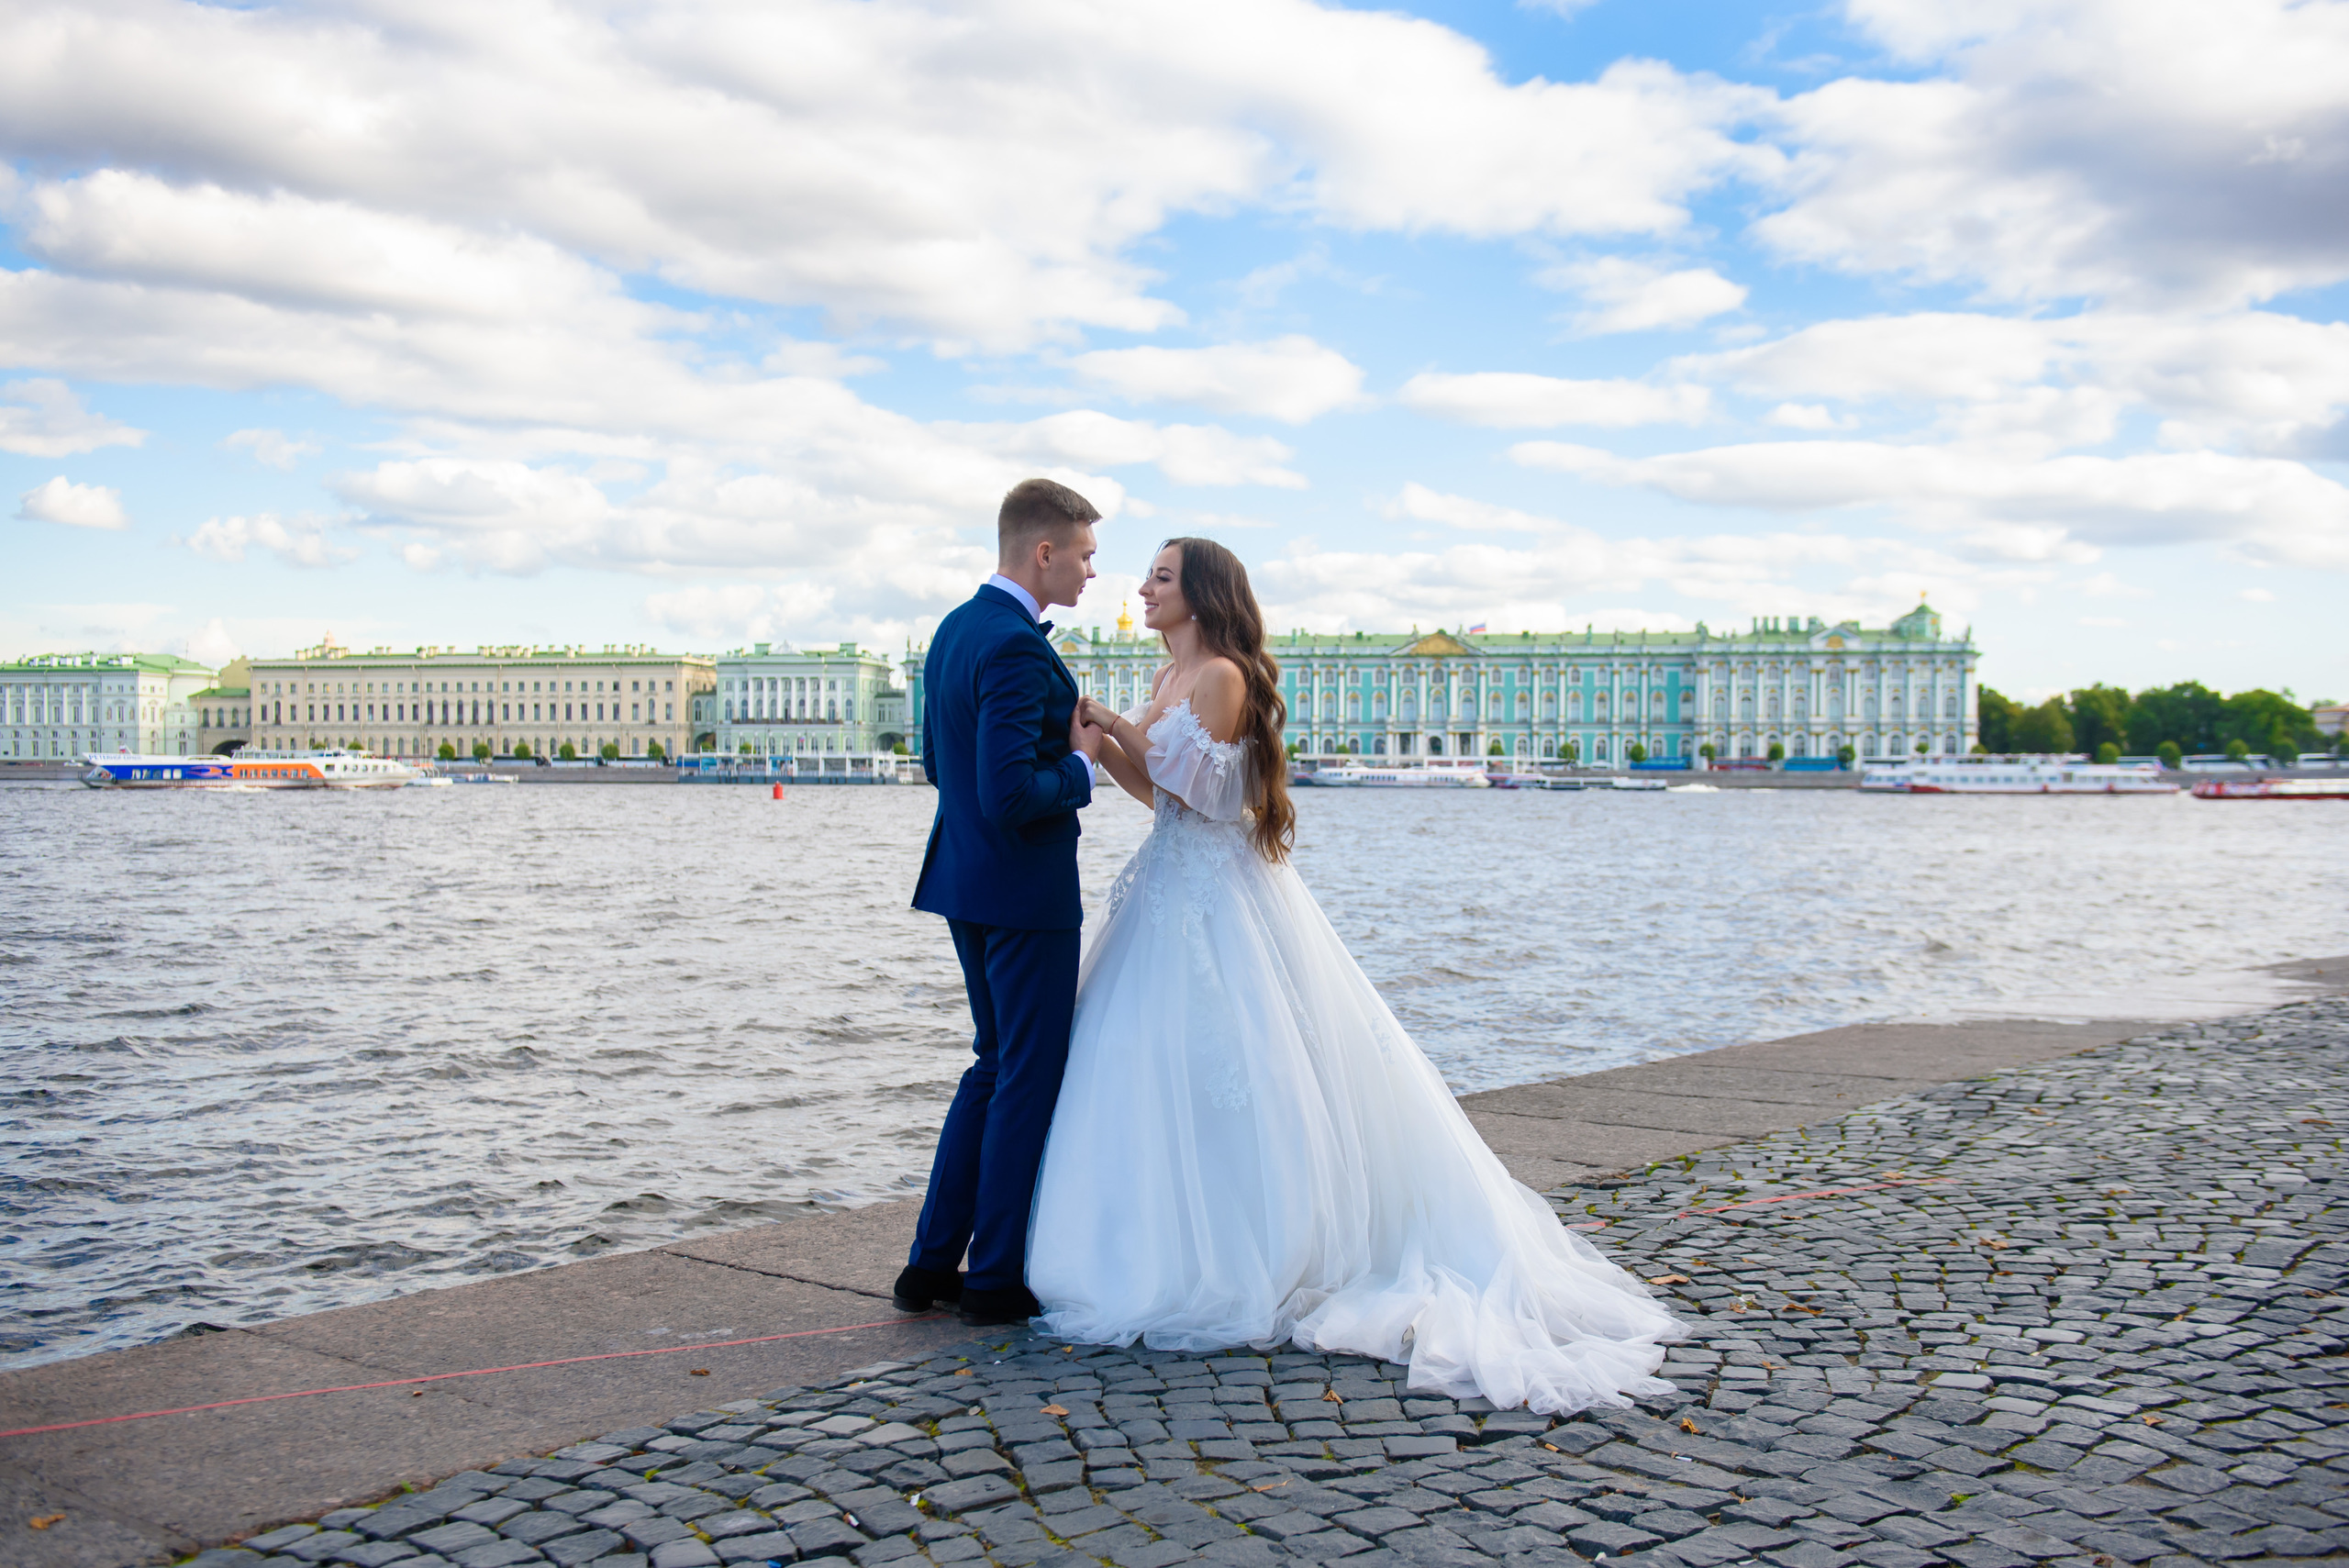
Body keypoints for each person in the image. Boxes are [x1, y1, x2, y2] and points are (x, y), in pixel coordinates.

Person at [1027, 537, 1681, 1412]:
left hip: (1220, 901)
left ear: (1205, 594)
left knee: (1243, 1071)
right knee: (1151, 1066)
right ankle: (1138, 1241)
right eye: (1147, 573)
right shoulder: (1166, 684)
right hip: (1168, 887)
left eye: (1161, 576)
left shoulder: (1221, 675)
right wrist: (1105, 747)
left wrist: (1108, 719)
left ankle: (1254, 1252)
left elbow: (1215, 800)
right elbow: (1162, 795)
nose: (1141, 587)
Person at [898, 478, 1106, 1328]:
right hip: (1025, 889)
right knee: (1027, 1073)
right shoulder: (1018, 646)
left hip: (963, 880)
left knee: (991, 1063)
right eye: (1086, 555)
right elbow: (1016, 792)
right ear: (1043, 550)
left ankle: (930, 1263)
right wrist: (1082, 764)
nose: (1094, 572)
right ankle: (993, 1277)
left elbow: (936, 763)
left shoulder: (953, 630)